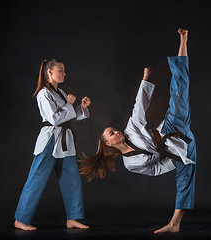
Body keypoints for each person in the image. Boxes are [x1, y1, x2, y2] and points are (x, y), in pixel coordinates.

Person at [80, 29, 196, 233]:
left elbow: (139, 106)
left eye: (114, 129)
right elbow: (154, 170)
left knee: (179, 89)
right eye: (112, 134)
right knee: (185, 177)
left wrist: (146, 78)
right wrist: (174, 158)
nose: (116, 132)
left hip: (172, 128)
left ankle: (183, 41)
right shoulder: (130, 164)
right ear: (109, 144)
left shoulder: (131, 129)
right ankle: (175, 223)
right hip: (181, 149)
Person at [14, 59, 91, 231]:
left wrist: (81, 108)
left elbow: (68, 116)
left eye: (64, 70)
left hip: (65, 140)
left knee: (72, 178)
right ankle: (21, 219)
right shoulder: (43, 93)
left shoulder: (61, 92)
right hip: (50, 139)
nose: (64, 73)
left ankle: (73, 218)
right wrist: (69, 104)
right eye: (60, 70)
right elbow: (54, 119)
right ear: (49, 72)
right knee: (37, 178)